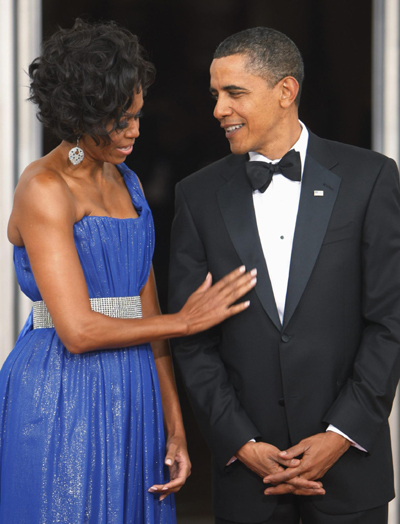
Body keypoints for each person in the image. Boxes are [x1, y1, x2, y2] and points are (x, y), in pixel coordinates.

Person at [0, 20, 256, 523]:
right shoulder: (44, 187)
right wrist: (187, 322)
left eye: (137, 116)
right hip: (62, 391)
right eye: (120, 122)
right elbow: (76, 330)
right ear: (80, 116)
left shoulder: (128, 181)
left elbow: (148, 310)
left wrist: (174, 425)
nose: (135, 131)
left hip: (133, 385)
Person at [169, 27, 400, 524]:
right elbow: (191, 339)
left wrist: (341, 434)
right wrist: (242, 443)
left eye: (234, 93)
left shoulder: (371, 177)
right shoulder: (197, 196)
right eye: (215, 95)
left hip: (350, 475)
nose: (218, 110)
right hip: (248, 484)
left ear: (285, 91)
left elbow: (390, 321)